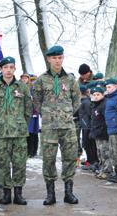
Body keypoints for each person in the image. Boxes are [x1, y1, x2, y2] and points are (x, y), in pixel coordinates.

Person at [33, 45, 80, 205]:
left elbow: (77, 100)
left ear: (63, 58)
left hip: (68, 126)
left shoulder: (71, 79)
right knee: (48, 159)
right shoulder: (41, 80)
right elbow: (37, 101)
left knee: (69, 158)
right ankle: (50, 194)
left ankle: (69, 193)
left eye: (60, 57)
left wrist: (65, 114)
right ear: (49, 59)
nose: (57, 61)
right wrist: (48, 114)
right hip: (49, 128)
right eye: (54, 58)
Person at [0, 56, 32, 205]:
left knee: (19, 163)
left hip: (19, 132)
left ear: (14, 69)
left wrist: (20, 123)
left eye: (11, 67)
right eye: (5, 67)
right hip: (1, 133)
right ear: (1, 69)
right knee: (2, 162)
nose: (8, 70)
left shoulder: (22, 87)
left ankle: (18, 194)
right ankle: (6, 193)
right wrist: (0, 121)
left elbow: (28, 109)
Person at [90, 86, 112, 179]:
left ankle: (107, 171)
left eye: (98, 94)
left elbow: (105, 120)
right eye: (94, 95)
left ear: (103, 94)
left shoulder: (104, 104)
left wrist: (103, 131)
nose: (96, 96)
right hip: (97, 133)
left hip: (103, 133)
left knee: (105, 153)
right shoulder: (95, 105)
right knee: (100, 153)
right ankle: (102, 169)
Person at [104, 78, 117, 182]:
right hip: (110, 128)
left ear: (115, 87)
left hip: (116, 128)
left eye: (110, 87)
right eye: (106, 87)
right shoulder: (109, 98)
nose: (108, 89)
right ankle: (116, 171)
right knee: (112, 151)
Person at [79, 84, 99, 171]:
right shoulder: (82, 101)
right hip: (85, 126)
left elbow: (90, 115)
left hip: (88, 127)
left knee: (89, 144)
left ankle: (93, 162)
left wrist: (90, 126)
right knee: (86, 144)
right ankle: (90, 160)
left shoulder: (86, 102)